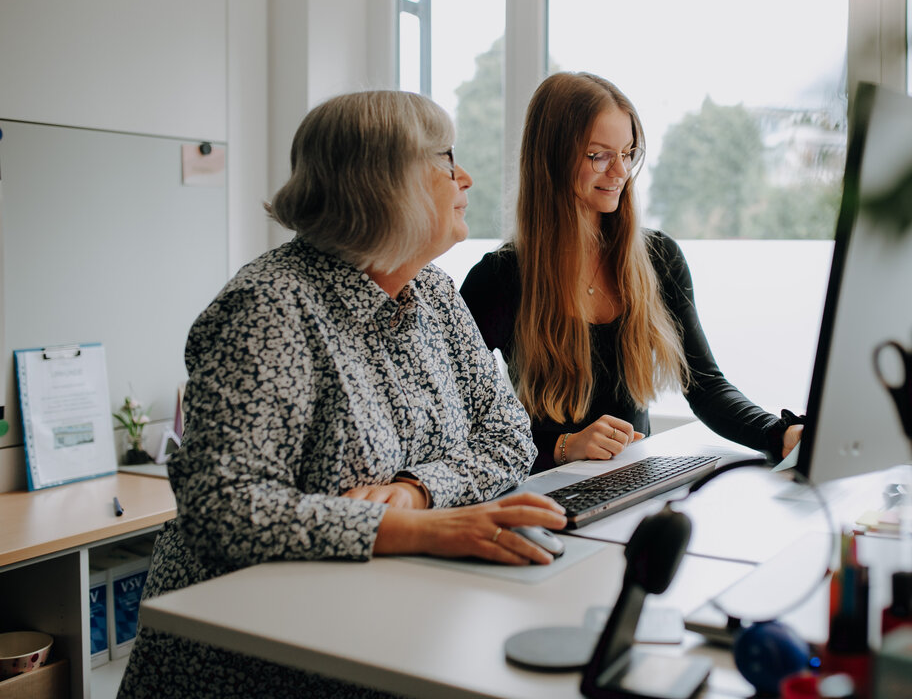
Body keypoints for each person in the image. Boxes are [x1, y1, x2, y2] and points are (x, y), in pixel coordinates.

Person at [118, 90, 565, 699]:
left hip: (376, 629)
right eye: (445, 158)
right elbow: (225, 509)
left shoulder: (433, 291)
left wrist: (417, 492)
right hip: (246, 662)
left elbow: (508, 434)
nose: (465, 176)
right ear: (385, 183)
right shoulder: (269, 306)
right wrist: (423, 529)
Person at [460, 72, 803, 473]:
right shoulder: (499, 278)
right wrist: (564, 445)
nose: (620, 172)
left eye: (627, 153)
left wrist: (779, 434)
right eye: (599, 155)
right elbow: (463, 423)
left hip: (634, 486)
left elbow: (705, 385)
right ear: (551, 159)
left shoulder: (659, 258)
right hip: (543, 494)